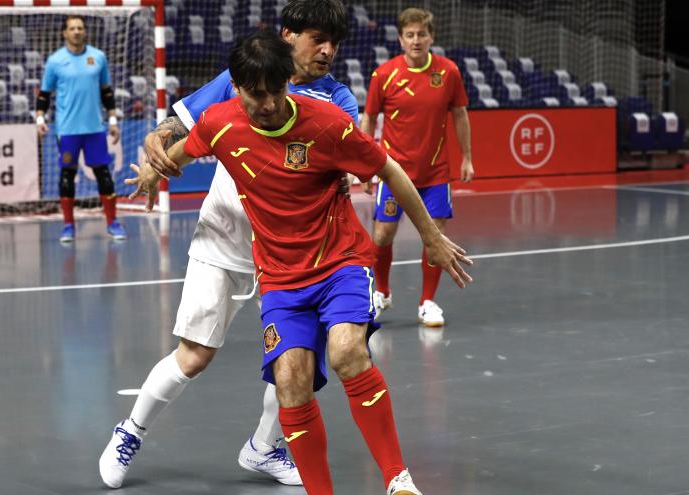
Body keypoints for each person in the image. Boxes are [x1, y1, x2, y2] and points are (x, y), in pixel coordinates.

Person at [127, 29, 472, 495]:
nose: (265, 104)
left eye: (275, 92)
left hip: (340, 261)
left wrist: (431, 237)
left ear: (288, 81)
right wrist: (152, 170)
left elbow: (389, 169)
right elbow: (179, 153)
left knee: (348, 352)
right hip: (281, 276)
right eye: (255, 95)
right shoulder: (220, 123)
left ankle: (398, 478)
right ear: (238, 88)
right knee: (291, 379)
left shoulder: (328, 123)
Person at [97, 0, 357, 489]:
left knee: (295, 362)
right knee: (193, 355)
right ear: (288, 36)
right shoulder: (247, 76)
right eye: (317, 39)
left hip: (293, 252)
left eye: (334, 43)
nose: (327, 51)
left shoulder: (338, 100)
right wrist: (157, 145)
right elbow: (182, 128)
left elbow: (342, 163)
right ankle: (130, 430)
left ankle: (263, 447)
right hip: (225, 237)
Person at [362, 7, 474, 327]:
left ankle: (427, 302)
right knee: (383, 234)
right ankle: (381, 292)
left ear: (431, 37)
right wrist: (367, 167)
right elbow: (369, 119)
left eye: (421, 34)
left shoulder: (448, 72)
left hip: (435, 172)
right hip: (393, 172)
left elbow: (460, 114)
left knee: (436, 236)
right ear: (400, 39)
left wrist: (467, 156)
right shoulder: (383, 75)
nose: (416, 40)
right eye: (409, 35)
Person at [36, 15, 125, 243]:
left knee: (103, 175)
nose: (76, 31)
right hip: (67, 130)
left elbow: (107, 91)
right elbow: (44, 94)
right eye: (72, 28)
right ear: (64, 33)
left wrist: (113, 121)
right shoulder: (55, 61)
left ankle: (113, 223)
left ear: (85, 31)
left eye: (80, 28)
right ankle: (68, 226)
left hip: (95, 128)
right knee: (67, 175)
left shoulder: (98, 57)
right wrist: (40, 119)